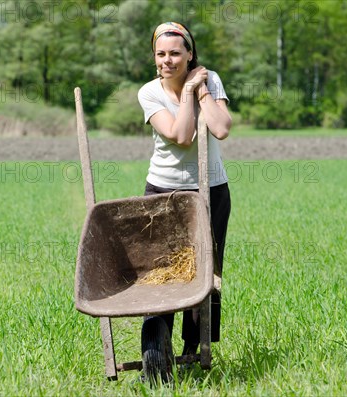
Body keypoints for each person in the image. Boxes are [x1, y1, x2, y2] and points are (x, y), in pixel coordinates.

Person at [137, 22, 232, 356]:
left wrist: (200, 88)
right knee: (162, 269)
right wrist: (188, 92)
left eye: (175, 53)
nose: (167, 60)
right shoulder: (149, 92)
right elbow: (181, 136)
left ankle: (195, 347)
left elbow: (220, 128)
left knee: (206, 269)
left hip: (211, 191)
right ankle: (158, 346)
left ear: (190, 55)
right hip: (165, 192)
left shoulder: (210, 78)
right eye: (160, 54)